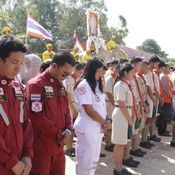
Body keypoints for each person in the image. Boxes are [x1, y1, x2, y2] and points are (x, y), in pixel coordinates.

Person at [25, 52, 76, 175]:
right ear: (54, 66)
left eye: (69, 74)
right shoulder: (36, 85)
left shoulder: (60, 85)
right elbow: (36, 117)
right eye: (65, 73)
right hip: (42, 146)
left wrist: (68, 129)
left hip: (58, 147)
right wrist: (59, 135)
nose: (66, 76)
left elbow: (66, 111)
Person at [0, 35, 33, 175]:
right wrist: (11, 161)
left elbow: (26, 122)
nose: (18, 68)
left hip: (20, 164)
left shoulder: (17, 87)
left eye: (21, 63)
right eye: (14, 62)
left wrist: (27, 155)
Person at [74, 58, 110, 175]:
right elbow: (89, 110)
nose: (101, 74)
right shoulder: (84, 85)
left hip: (97, 127)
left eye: (102, 72)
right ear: (91, 70)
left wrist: (106, 120)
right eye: (98, 71)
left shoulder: (96, 84)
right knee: (85, 161)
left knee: (93, 160)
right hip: (87, 128)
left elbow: (102, 106)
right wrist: (103, 122)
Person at [112, 64, 135, 175]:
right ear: (125, 72)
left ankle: (120, 166)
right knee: (119, 143)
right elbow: (121, 104)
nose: (133, 74)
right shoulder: (120, 85)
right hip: (121, 114)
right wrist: (129, 119)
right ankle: (117, 168)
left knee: (122, 143)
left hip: (125, 113)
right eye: (131, 72)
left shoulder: (126, 84)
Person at [63, 63, 84, 157]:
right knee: (70, 127)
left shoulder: (76, 80)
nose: (80, 74)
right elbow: (67, 95)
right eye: (79, 72)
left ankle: (70, 146)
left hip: (75, 104)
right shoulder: (68, 80)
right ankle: (68, 148)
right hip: (69, 105)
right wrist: (73, 109)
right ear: (74, 70)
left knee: (73, 127)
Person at [158, 64, 174, 136]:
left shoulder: (165, 76)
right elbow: (166, 89)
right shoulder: (163, 76)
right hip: (165, 99)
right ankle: (162, 131)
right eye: (168, 68)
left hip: (166, 98)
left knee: (165, 116)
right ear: (164, 68)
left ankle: (163, 130)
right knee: (164, 116)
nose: (170, 70)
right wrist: (171, 96)